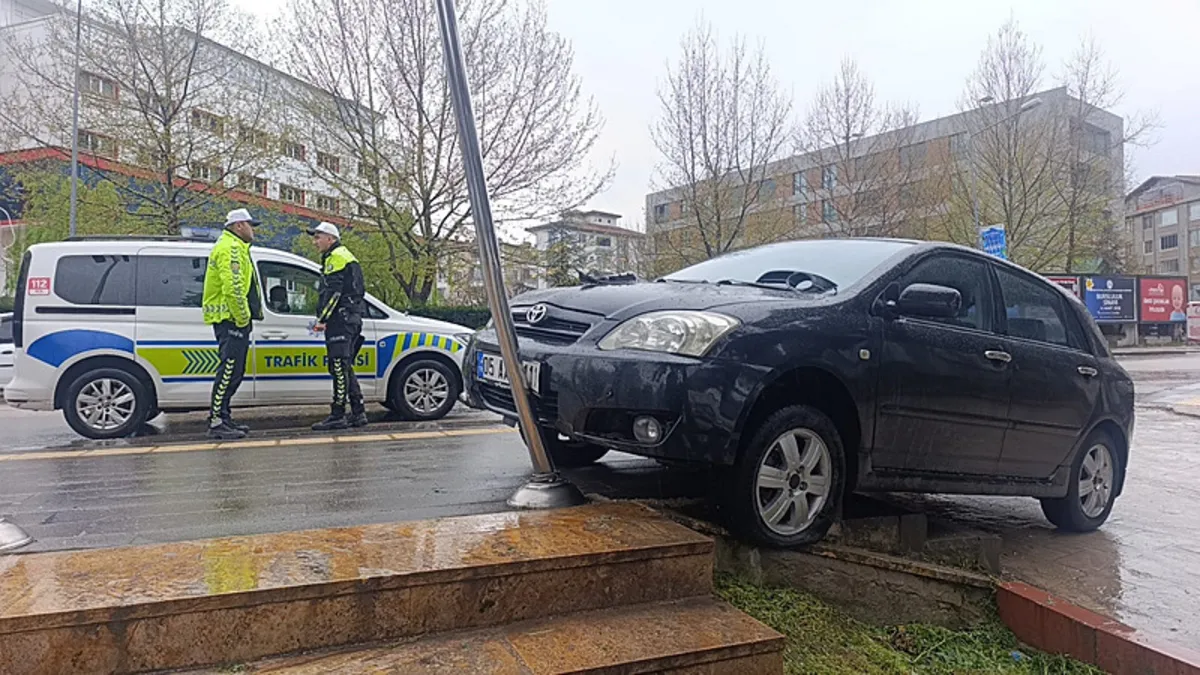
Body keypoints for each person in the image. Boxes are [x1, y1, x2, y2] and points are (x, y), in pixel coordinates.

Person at [202, 208, 263, 439]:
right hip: (230, 319)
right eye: (250, 225)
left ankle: (224, 416)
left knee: (235, 370)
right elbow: (234, 288)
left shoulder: (233, 246)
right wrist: (243, 317)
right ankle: (217, 421)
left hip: (229, 319)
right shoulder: (232, 249)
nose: (253, 230)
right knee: (229, 370)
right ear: (239, 226)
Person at [308, 222, 368, 431]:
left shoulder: (336, 258)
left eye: (318, 237)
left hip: (341, 320)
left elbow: (333, 293)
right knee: (344, 366)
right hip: (350, 318)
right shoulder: (344, 256)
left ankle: (338, 414)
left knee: (338, 367)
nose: (314, 242)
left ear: (330, 239)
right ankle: (358, 411)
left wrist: (322, 319)